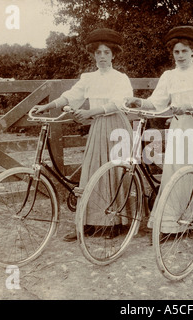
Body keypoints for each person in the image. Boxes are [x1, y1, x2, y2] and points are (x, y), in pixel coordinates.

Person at [32, 28, 133, 242]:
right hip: (97, 127)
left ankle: (116, 222)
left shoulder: (120, 78)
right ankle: (88, 223)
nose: (102, 57)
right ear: (93, 55)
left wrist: (89, 112)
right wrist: (48, 105)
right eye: (98, 53)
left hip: (116, 127)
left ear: (114, 54)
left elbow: (117, 103)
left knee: (114, 172)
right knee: (91, 171)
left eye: (107, 52)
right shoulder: (89, 78)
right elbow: (71, 96)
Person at [125, 25, 193, 237]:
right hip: (180, 128)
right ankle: (172, 225)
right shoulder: (168, 76)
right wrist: (140, 101)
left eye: (184, 51)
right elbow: (157, 102)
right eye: (176, 52)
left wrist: (189, 105)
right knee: (176, 172)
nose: (180, 56)